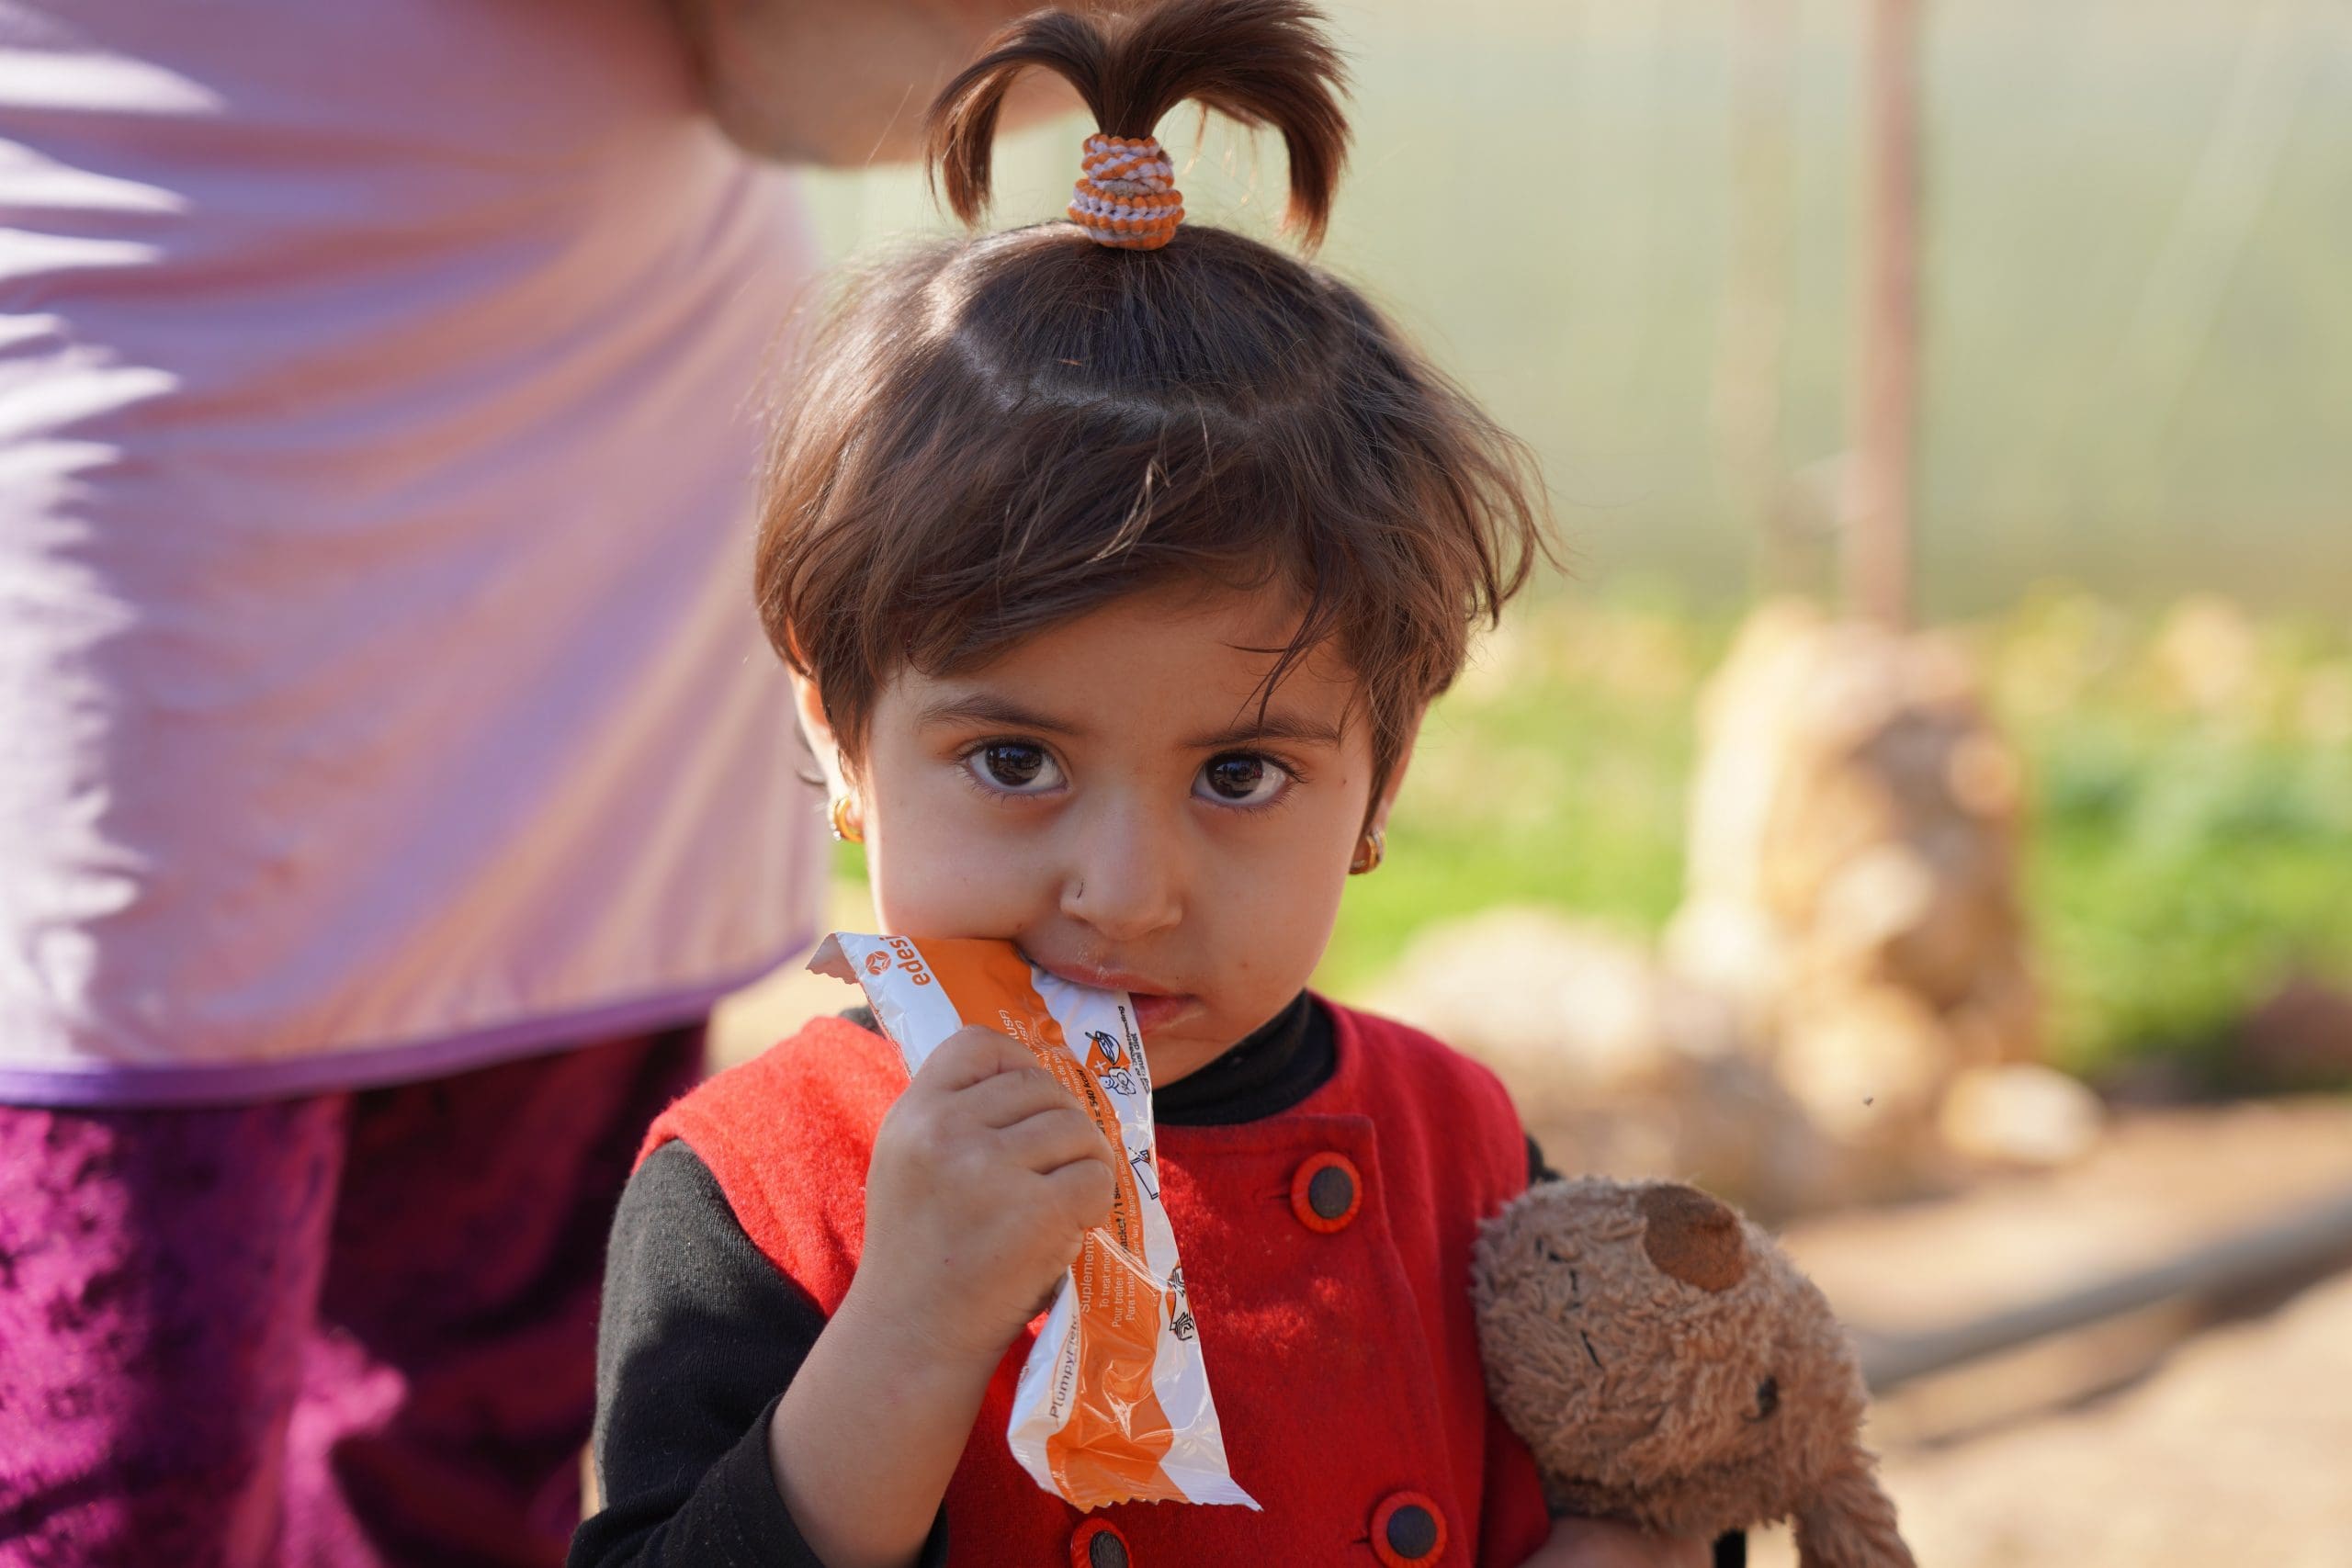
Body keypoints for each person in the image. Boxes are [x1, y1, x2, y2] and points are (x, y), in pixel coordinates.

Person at [574, 3, 1724, 1564]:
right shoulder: (760, 1185)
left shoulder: (1460, 1146)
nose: (1125, 889)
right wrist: (910, 1328)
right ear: (841, 735)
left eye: (1241, 773)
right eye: (1015, 760)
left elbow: (1632, 1477)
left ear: (1383, 774)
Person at [0, 1, 1057, 1563]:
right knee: (125, 1452)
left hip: (611, 428)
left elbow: (850, 69)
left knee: (472, 1412)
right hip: (161, 414)